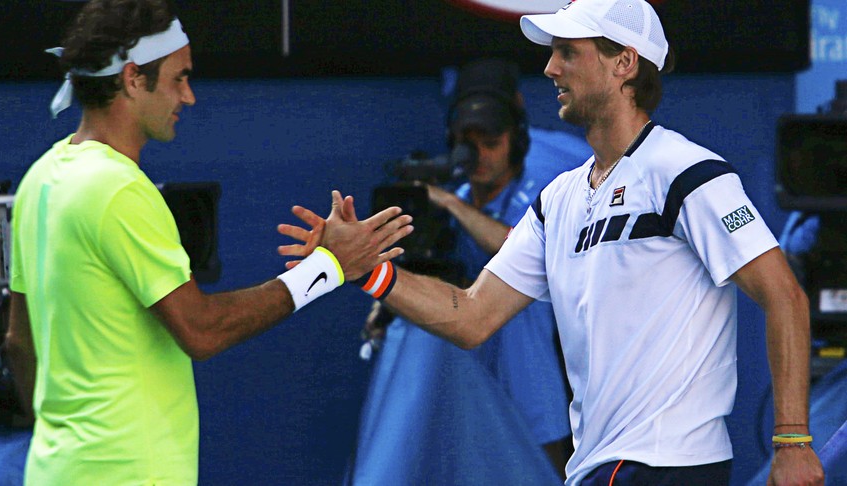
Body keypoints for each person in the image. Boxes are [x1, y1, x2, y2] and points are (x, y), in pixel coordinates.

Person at [279, 0, 826, 484]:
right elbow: (471, 316)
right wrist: (369, 271)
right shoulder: (558, 199)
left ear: (624, 63)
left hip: (672, 467)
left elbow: (786, 297)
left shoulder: (688, 172)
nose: (550, 67)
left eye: (568, 52)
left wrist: (793, 440)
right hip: (596, 469)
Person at [2, 1, 412, 484]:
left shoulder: (40, 178)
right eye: (179, 78)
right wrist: (327, 267)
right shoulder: (118, 189)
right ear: (133, 79)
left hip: (55, 469)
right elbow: (202, 331)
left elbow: (18, 342)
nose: (189, 96)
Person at [347, 58, 590, 484]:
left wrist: (453, 205)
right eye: (467, 141)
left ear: (516, 138)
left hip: (562, 358)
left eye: (491, 140)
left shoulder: (558, 176)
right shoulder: (454, 198)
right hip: (473, 377)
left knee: (520, 313)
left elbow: (526, 256)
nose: (479, 155)